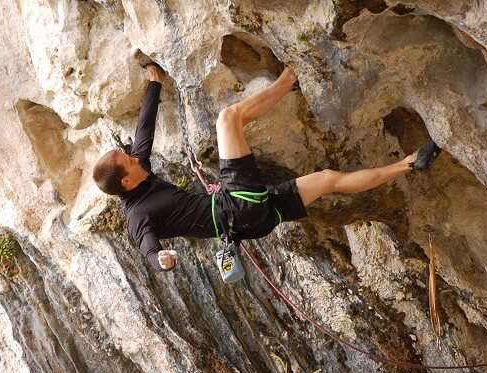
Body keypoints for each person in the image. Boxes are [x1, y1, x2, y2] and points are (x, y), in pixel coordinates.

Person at [92, 63, 439, 272]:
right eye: (129, 161)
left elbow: (143, 133)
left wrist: (154, 83)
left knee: (330, 179)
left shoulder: (139, 173)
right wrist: (161, 260)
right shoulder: (138, 216)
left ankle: (410, 164)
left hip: (252, 221)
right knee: (228, 119)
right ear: (125, 180)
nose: (135, 157)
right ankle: (291, 77)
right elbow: (147, 248)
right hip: (234, 205)